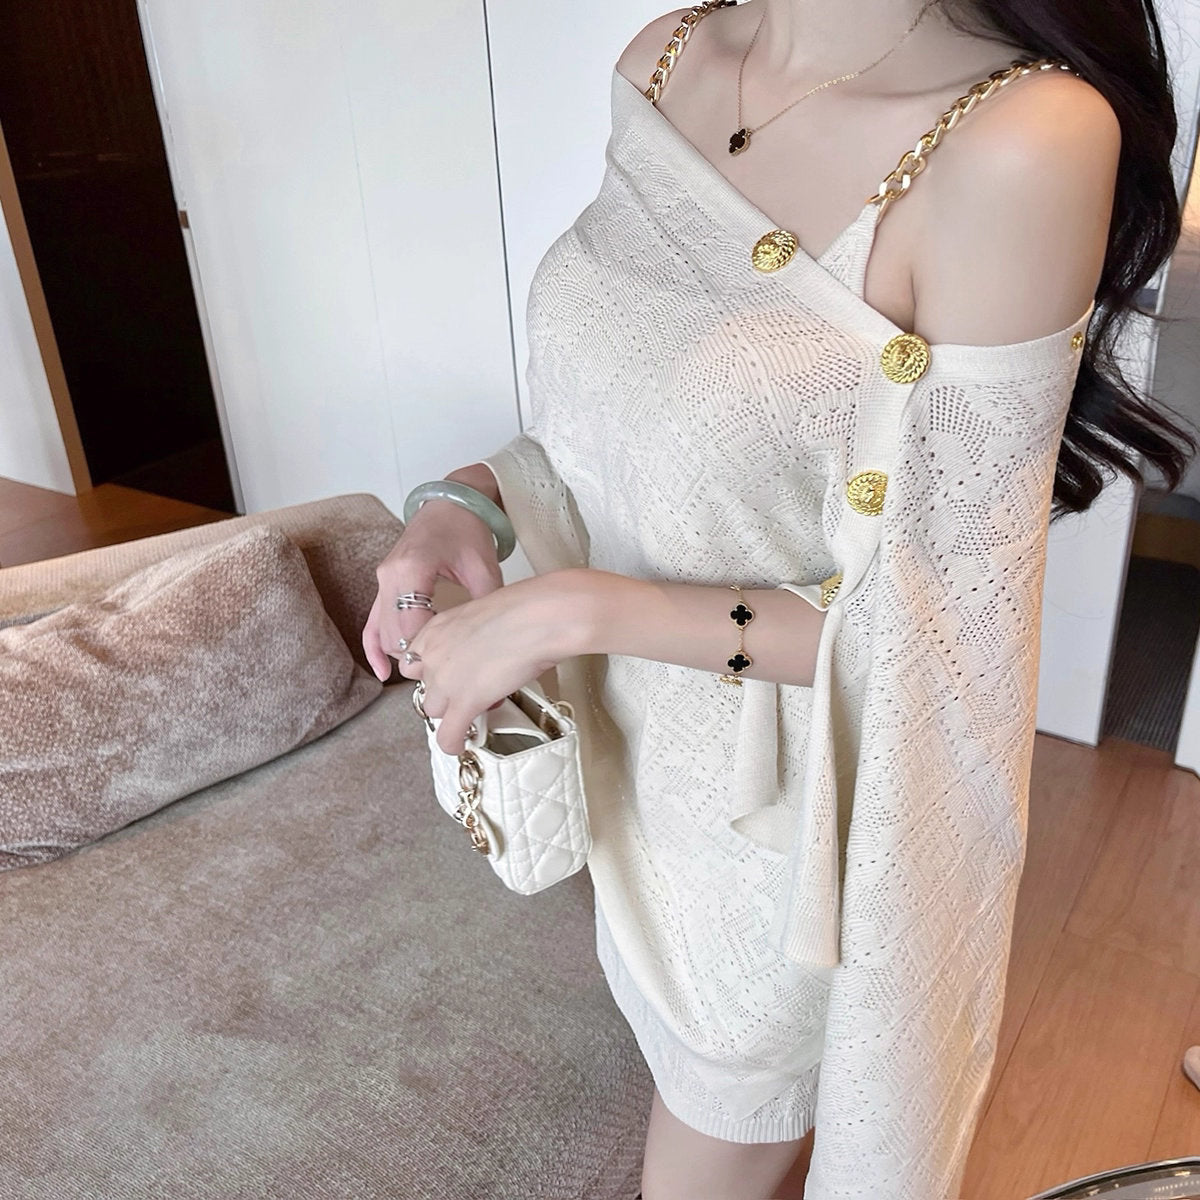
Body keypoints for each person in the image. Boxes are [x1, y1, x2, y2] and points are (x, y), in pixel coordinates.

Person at [363, 2, 1195, 1197]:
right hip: (626, 755)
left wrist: (571, 612)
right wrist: (471, 500)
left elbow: (940, 644)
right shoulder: (668, 55)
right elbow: (619, 422)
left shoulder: (1018, 141)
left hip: (783, 840)